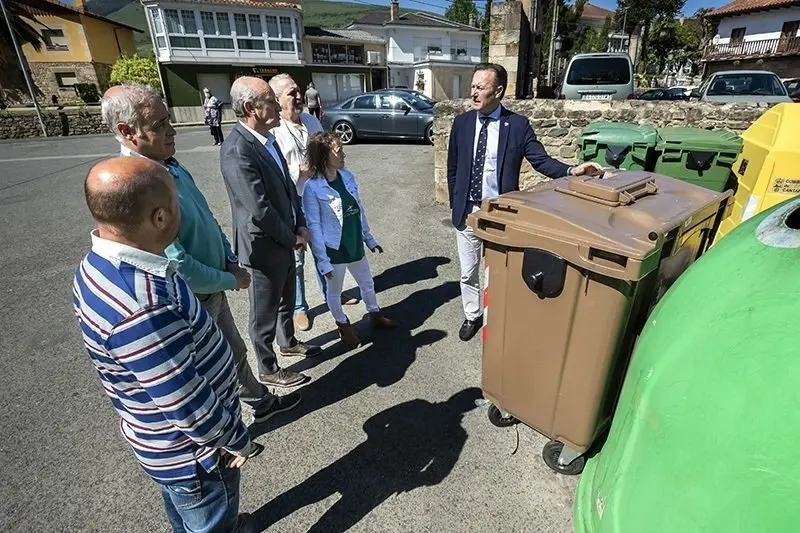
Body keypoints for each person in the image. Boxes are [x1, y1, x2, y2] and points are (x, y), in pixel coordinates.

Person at [73, 156, 261, 533]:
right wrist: (236, 440)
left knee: (185, 515)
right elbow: (185, 402)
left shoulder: (101, 264)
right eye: (177, 203)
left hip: (162, 443)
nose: (182, 210)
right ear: (160, 217)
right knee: (209, 518)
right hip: (198, 455)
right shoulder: (144, 306)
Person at [101, 83, 301, 425]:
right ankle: (226, 436)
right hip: (191, 296)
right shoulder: (139, 185)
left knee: (233, 352)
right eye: (160, 124)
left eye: (168, 120)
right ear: (126, 131)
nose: (171, 129)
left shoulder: (167, 165)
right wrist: (230, 277)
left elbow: (205, 217)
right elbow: (176, 259)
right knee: (211, 367)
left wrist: (225, 257)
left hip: (211, 286)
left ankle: (260, 403)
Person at [447, 63, 603, 342]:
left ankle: (501, 316)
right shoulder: (462, 124)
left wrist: (571, 170)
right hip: (468, 211)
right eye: (472, 86)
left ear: (499, 91)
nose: (473, 93)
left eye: (480, 87)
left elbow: (540, 160)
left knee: (500, 272)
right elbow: (453, 168)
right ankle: (472, 315)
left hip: (501, 213)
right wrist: (454, 203)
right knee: (468, 271)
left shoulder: (517, 126)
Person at [220, 76, 321, 389]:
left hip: (286, 237)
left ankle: (288, 342)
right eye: (271, 101)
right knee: (263, 312)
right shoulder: (237, 150)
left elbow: (291, 187)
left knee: (285, 299)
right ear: (251, 108)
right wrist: (292, 237)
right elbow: (259, 209)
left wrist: (300, 223)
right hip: (263, 246)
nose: (278, 105)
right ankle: (267, 367)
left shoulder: (268, 138)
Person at [302, 131, 397, 348]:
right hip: (335, 248)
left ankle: (375, 315)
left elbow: (358, 209)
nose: (344, 154)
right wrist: (322, 261)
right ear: (324, 156)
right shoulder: (313, 187)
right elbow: (314, 226)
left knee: (367, 283)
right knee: (334, 292)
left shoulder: (347, 177)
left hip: (354, 243)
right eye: (338, 150)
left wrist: (369, 238)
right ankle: (344, 327)